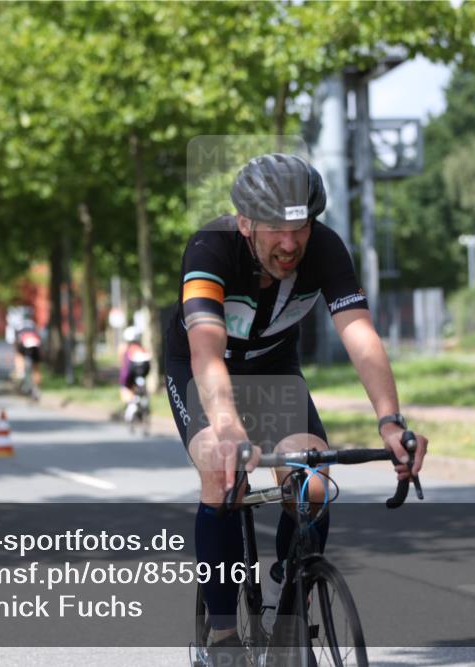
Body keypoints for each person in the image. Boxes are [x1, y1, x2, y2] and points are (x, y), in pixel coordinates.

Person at [164, 153, 428, 662]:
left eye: (300, 227)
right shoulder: (209, 250)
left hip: (274, 369)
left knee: (311, 477)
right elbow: (205, 351)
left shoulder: (325, 249)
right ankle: (219, 637)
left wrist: (391, 421)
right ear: (245, 222)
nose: (290, 244)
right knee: (221, 474)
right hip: (201, 368)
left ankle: (293, 589)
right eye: (274, 229)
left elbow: (359, 334)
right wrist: (227, 425)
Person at [118, 327, 151, 422]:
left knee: (125, 387)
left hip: (130, 372)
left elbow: (124, 365)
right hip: (143, 371)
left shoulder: (126, 349)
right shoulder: (142, 349)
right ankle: (143, 403)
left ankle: (131, 404)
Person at [14, 319, 42, 396]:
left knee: (19, 355)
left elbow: (16, 344)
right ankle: (37, 388)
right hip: (35, 343)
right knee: (36, 367)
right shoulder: (33, 324)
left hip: (23, 342)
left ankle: (21, 373)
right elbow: (39, 337)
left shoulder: (18, 326)